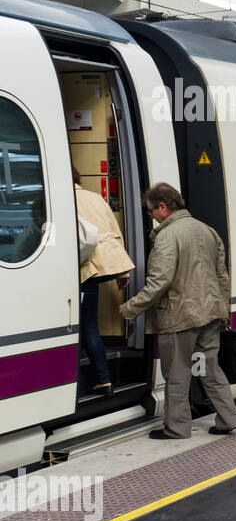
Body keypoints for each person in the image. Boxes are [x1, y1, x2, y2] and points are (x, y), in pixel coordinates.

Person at [120, 183, 236, 439]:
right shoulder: (207, 230)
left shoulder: (167, 235)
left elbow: (159, 280)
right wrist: (223, 308)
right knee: (209, 369)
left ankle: (176, 427)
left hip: (179, 316)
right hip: (210, 313)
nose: (151, 215)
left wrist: (131, 308)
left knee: (177, 372)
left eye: (151, 210)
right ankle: (228, 418)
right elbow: (222, 276)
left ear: (163, 207)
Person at [73, 166, 135, 396]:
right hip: (102, 266)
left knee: (77, 327)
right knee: (89, 325)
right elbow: (114, 231)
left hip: (80, 268)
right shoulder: (95, 198)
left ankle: (74, 382)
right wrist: (123, 272)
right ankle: (104, 381)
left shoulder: (55, 200)